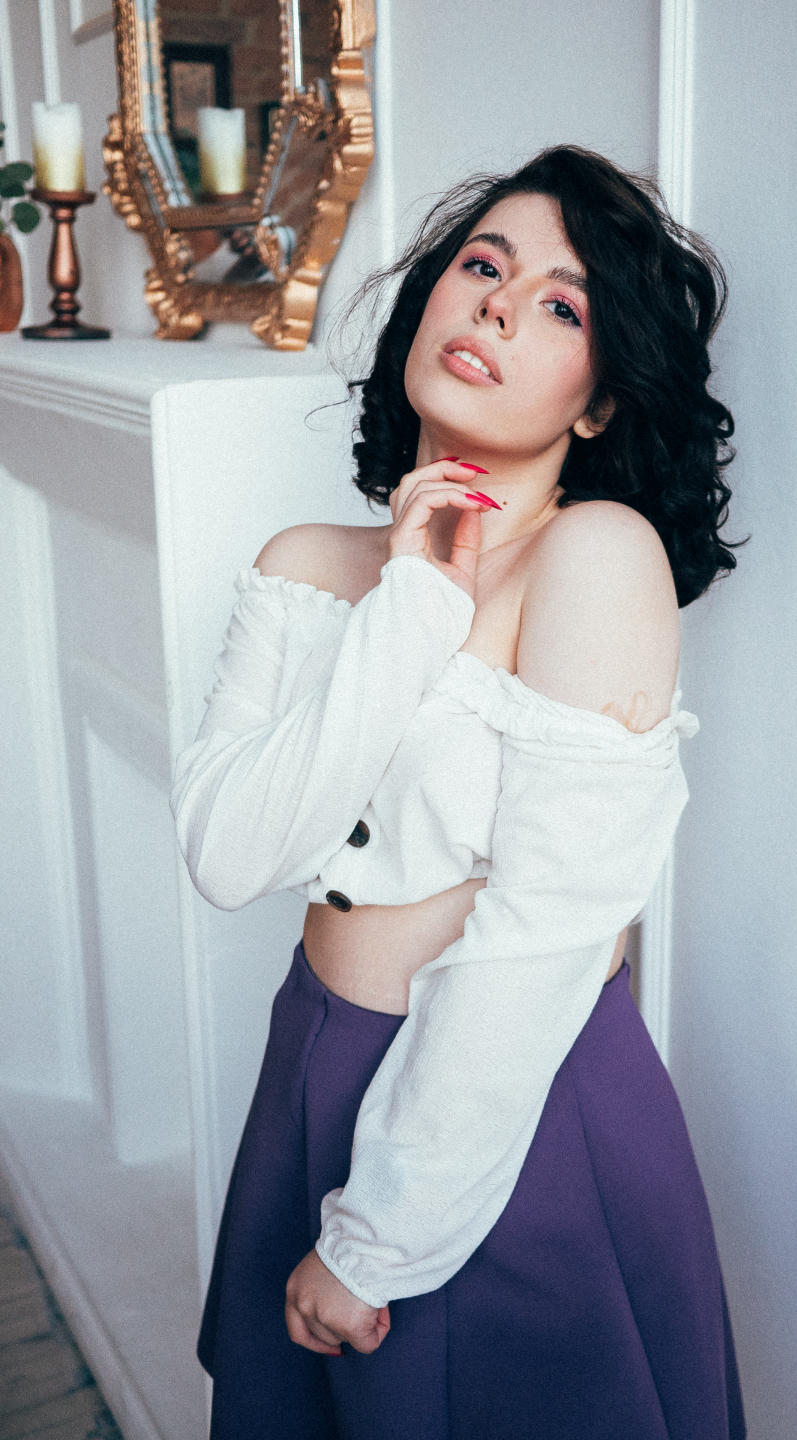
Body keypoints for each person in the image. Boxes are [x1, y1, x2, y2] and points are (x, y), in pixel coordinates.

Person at [170, 144, 747, 1440]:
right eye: (484, 264)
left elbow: (548, 935)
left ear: (599, 403)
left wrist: (378, 1239)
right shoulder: (305, 565)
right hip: (312, 1065)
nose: (497, 304)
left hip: (514, 1111)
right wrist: (413, 604)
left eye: (561, 305)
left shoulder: (598, 556)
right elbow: (226, 852)